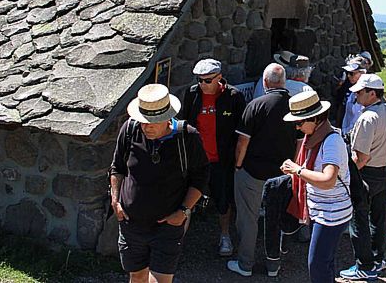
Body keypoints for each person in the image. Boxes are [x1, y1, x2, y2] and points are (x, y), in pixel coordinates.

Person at [109, 84, 209, 283]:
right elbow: (117, 168)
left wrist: (183, 211)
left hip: (167, 227)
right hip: (132, 225)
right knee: (137, 277)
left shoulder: (186, 137)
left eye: (152, 122)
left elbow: (201, 178)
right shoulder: (130, 130)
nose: (146, 127)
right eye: (143, 121)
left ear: (167, 118)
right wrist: (115, 201)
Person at [229, 64, 298, 277]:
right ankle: (273, 266)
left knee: (248, 219)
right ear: (284, 81)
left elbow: (242, 142)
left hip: (253, 172)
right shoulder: (295, 107)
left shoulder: (255, 105)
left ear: (265, 82)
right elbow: (299, 143)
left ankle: (245, 264)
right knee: (275, 219)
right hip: (283, 174)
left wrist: (238, 166)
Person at [280, 91, 353, 282]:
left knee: (317, 265)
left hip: (331, 214)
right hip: (322, 210)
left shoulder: (331, 142)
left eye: (299, 122)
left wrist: (297, 170)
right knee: (325, 261)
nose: (297, 127)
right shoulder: (315, 137)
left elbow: (328, 180)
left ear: (314, 118)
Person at [178, 59, 245, 256]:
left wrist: (238, 161)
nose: (203, 84)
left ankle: (225, 235)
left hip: (221, 160)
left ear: (219, 78)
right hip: (196, 160)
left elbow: (241, 131)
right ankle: (178, 242)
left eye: (207, 81)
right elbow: (185, 124)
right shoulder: (192, 94)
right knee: (186, 201)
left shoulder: (233, 97)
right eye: (199, 80)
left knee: (223, 200)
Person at [340, 74, 386, 281]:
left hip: (366, 174)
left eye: (360, 92)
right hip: (385, 172)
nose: (356, 95)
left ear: (372, 93)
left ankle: (364, 265)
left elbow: (361, 157)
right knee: (379, 217)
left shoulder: (367, 118)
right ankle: (378, 258)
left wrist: (346, 175)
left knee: (358, 219)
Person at [331, 55, 369, 134]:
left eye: (352, 73)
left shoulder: (369, 93)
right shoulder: (350, 89)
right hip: (346, 133)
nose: (348, 75)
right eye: (347, 73)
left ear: (362, 73)